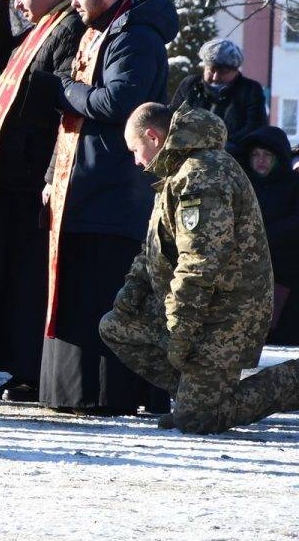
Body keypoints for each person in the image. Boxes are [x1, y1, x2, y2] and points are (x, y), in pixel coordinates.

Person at [34, 0, 178, 416]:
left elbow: (120, 101)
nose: (72, 1)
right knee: (78, 291)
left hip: (113, 193)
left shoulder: (135, 37)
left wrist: (64, 91)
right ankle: (72, 393)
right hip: (85, 186)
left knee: (101, 295)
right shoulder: (102, 30)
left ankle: (102, 395)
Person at [100, 103, 299, 434]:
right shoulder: (178, 171)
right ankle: (198, 392)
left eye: (136, 149)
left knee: (198, 420)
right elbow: (153, 247)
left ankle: (286, 383)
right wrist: (130, 296)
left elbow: (200, 263)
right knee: (116, 325)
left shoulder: (202, 176)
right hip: (201, 308)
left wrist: (181, 333)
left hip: (227, 314)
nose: (136, 160)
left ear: (152, 136)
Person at [0, 0, 85, 403]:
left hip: (37, 171)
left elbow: (47, 93)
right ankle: (17, 369)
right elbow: (3, 67)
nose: (17, 2)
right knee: (12, 274)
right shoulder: (39, 29)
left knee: (29, 278)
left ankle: (31, 372)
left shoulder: (67, 27)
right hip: (14, 174)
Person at [234, 126, 299, 344]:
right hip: (246, 274)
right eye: (256, 154)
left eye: (267, 155)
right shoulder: (243, 186)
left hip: (285, 274)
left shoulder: (293, 185)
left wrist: (262, 235)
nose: (261, 160)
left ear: (278, 156)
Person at [170, 40, 267, 148]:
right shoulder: (190, 85)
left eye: (223, 72)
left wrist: (219, 145)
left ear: (236, 71)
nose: (215, 77)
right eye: (211, 70)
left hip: (231, 156)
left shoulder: (250, 90)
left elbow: (254, 128)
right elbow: (173, 115)